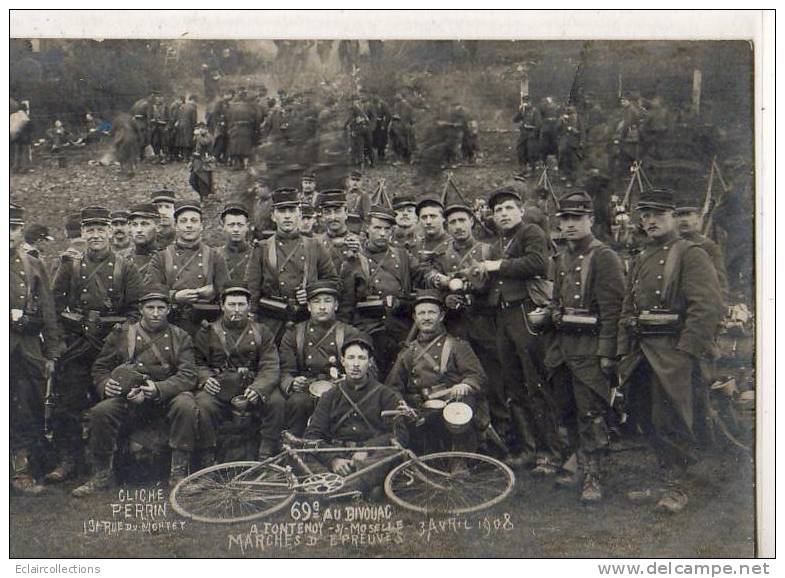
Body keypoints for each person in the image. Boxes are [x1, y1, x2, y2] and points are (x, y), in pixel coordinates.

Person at [617, 188, 724, 513]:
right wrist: (622, 349)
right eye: (645, 215)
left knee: (670, 419)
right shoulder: (640, 258)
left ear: (673, 217)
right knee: (645, 417)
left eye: (658, 214)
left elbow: (706, 307)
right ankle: (665, 477)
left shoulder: (691, 254)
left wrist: (687, 351)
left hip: (673, 351)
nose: (650, 221)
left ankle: (678, 486)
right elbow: (627, 307)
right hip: (642, 352)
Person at [71, 285, 199, 496]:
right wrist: (106, 384)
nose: (156, 313)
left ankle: (178, 475)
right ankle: (102, 474)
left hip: (165, 397)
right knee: (100, 412)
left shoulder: (180, 336)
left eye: (160, 307)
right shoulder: (122, 333)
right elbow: (100, 367)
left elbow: (188, 375)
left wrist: (157, 389)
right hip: (127, 397)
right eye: (150, 307)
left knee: (186, 405)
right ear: (141, 309)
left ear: (168, 309)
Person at [48, 206, 144, 484]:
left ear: (110, 232)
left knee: (111, 402)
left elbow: (136, 310)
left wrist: (120, 335)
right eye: (90, 230)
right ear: (83, 233)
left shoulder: (126, 267)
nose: (95, 235)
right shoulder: (70, 264)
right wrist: (64, 339)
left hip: (111, 347)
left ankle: (111, 464)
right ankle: (68, 460)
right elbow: (54, 306)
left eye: (101, 230)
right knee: (68, 403)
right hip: (78, 345)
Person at [544, 192, 626, 503]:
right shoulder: (561, 256)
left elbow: (613, 310)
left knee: (591, 414)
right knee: (566, 410)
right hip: (563, 349)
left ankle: (594, 475)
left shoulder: (604, 256)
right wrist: (553, 312)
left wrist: (608, 354)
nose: (570, 225)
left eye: (576, 218)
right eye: (564, 219)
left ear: (590, 220)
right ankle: (577, 462)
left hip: (591, 351)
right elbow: (556, 298)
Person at [478, 189, 564, 474]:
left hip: (526, 313)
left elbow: (538, 263)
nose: (502, 213)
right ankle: (527, 449)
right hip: (503, 315)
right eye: (497, 210)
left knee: (535, 382)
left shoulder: (531, 233)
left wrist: (497, 265)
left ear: (520, 211)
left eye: (507, 208)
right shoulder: (497, 242)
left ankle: (549, 453)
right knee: (513, 385)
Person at [423, 203, 506, 430]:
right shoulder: (441, 255)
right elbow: (432, 283)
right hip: (456, 326)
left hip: (486, 323)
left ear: (472, 221)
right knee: (460, 381)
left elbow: (500, 286)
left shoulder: (488, 251)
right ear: (447, 226)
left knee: (494, 378)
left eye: (462, 220)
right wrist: (446, 301)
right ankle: (469, 431)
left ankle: (502, 431)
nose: (458, 226)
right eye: (452, 222)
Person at [187, 284, 282, 465]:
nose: (236, 310)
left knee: (276, 401)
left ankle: (266, 456)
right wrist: (206, 378)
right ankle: (208, 457)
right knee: (203, 405)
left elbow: (270, 365)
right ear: (222, 306)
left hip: (251, 385)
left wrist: (259, 388)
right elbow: (197, 362)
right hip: (219, 386)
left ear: (249, 306)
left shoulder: (262, 332)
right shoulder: (207, 332)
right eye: (231, 304)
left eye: (241, 304)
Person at [386, 291, 486, 453]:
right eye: (422, 313)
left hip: (451, 402)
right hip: (420, 406)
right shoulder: (408, 352)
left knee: (461, 405)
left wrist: (465, 385)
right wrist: (401, 404)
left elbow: (477, 376)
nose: (426, 317)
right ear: (415, 318)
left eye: (432, 312)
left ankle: (458, 460)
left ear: (441, 316)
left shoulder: (457, 345)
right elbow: (393, 385)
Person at [304, 334, 405, 495]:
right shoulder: (330, 395)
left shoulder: (385, 394)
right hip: (337, 453)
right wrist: (333, 460)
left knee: (391, 453)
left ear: (370, 362)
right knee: (302, 455)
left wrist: (367, 449)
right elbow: (313, 435)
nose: (356, 364)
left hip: (370, 457)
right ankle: (365, 485)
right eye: (350, 358)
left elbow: (397, 433)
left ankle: (337, 488)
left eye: (361, 358)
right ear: (343, 361)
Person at [10, 203, 62, 494]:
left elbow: (49, 311)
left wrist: (52, 352)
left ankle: (21, 472)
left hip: (28, 350)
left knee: (26, 409)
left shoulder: (33, 263)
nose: (9, 234)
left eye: (14, 228)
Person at [246, 189, 338, 343]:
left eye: (292, 210)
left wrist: (311, 291)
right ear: (273, 216)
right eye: (282, 211)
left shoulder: (315, 246)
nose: (287, 216)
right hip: (271, 320)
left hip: (306, 318)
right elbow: (252, 289)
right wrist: (253, 323)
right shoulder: (262, 248)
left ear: (299, 214)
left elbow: (333, 282)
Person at [344, 205, 424, 376]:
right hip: (367, 329)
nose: (382, 233)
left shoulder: (403, 256)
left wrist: (438, 278)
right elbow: (346, 306)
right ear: (367, 229)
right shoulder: (355, 260)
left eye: (387, 229)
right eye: (377, 228)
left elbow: (422, 272)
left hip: (402, 327)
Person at [278, 280, 365, 437]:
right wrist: (293, 382)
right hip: (306, 391)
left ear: (336, 305)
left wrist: (350, 379)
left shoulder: (350, 333)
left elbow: (367, 369)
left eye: (328, 301)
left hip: (340, 389)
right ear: (309, 307)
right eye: (316, 302)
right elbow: (285, 371)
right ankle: (296, 448)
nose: (322, 307)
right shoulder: (294, 334)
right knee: (296, 403)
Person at [145, 200, 230, 337]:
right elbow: (150, 292)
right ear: (176, 225)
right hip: (170, 326)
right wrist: (175, 296)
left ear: (201, 225)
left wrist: (214, 291)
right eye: (183, 221)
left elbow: (228, 293)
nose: (189, 225)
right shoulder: (160, 258)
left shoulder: (215, 257)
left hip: (206, 327)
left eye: (194, 221)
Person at [675, 195, 729, 302]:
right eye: (679, 215)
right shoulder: (670, 245)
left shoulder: (708, 246)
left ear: (698, 219)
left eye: (688, 214)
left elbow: (720, 282)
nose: (684, 219)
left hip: (701, 302)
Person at [119, 203, 159, 279]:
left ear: (157, 226)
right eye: (135, 224)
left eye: (145, 224)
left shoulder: (166, 257)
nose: (139, 230)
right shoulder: (120, 258)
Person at [218, 203, 253, 284]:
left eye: (240, 225)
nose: (236, 229)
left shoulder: (257, 255)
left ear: (247, 226)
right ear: (223, 227)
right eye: (231, 225)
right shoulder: (214, 256)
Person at [513, 96, 542, 176]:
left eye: (527, 102)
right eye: (524, 102)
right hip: (524, 134)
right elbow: (515, 120)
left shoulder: (535, 111)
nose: (526, 104)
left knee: (531, 152)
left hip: (532, 134)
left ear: (531, 102)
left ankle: (532, 171)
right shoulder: (523, 111)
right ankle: (523, 169)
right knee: (520, 150)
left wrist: (533, 132)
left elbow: (538, 125)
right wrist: (519, 112)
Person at [189, 122, 215, 202]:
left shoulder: (209, 137)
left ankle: (205, 198)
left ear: (206, 129)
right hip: (196, 162)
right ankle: (202, 196)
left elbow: (205, 143)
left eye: (201, 129)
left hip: (205, 163)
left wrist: (199, 136)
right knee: (193, 180)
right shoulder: (198, 137)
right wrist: (191, 161)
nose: (200, 130)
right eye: (198, 129)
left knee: (203, 181)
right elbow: (194, 148)